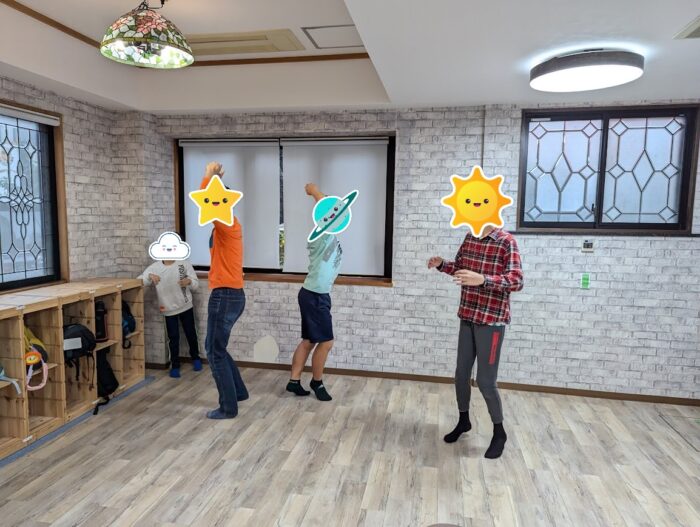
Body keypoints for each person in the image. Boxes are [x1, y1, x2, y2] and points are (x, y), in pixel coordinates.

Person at [428, 225, 523, 459]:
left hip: (491, 322)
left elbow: (517, 280)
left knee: (485, 381)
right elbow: (460, 269)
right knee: (461, 375)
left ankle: (499, 433)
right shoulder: (470, 237)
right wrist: (442, 265)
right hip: (468, 316)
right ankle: (464, 421)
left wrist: (483, 280)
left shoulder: (506, 241)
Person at [286, 183, 343, 402]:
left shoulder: (331, 235)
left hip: (316, 294)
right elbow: (326, 211)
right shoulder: (321, 234)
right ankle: (317, 382)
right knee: (326, 342)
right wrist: (315, 191)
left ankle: (294, 381)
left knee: (309, 340)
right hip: (314, 295)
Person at [201, 162, 249, 419]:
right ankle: (238, 392)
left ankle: (228, 408)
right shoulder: (225, 225)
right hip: (231, 294)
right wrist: (214, 179)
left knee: (214, 351)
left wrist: (208, 176)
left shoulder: (228, 223)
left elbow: (205, 202)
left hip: (226, 295)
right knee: (216, 347)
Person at [139, 259, 201, 378]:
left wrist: (189, 281)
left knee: (191, 333)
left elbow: (196, 285)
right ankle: (175, 365)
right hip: (168, 309)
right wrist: (150, 276)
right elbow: (141, 280)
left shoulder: (184, 264)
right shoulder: (154, 267)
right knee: (173, 338)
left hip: (186, 305)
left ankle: (196, 358)